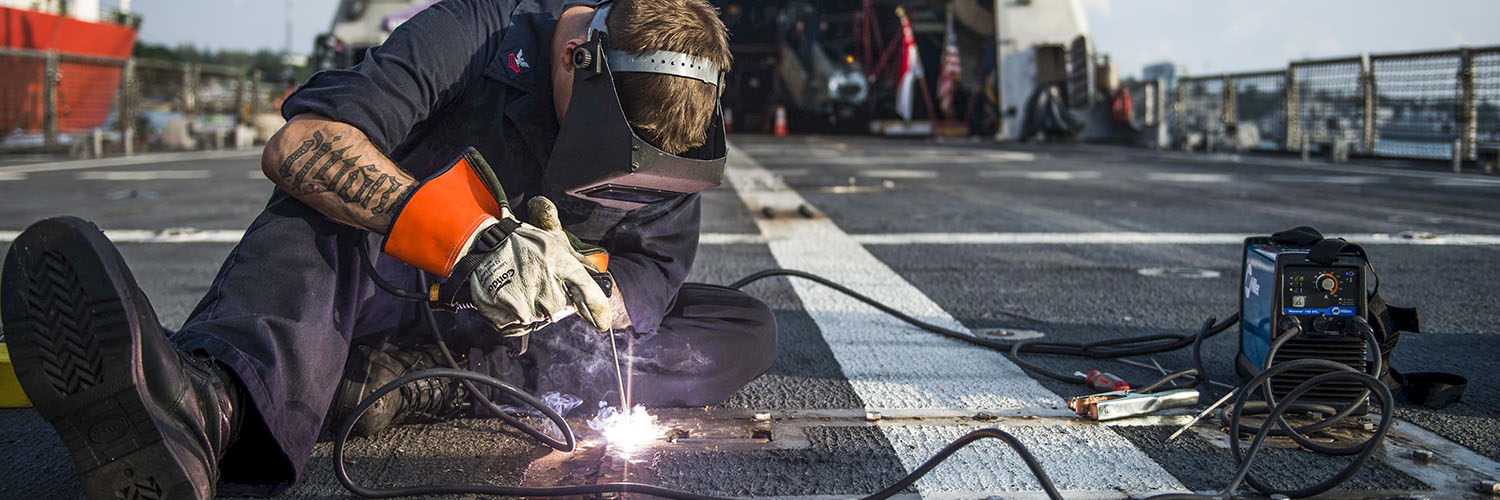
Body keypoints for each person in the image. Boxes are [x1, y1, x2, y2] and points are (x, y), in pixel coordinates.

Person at [0, 0, 777, 498]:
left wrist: (591, 290)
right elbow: (305, 143)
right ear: (577, 59)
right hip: (389, 284)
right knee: (320, 212)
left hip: (516, 337)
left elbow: (654, 269)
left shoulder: (673, 111)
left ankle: (424, 385)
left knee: (739, 329)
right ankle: (209, 408)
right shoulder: (475, 31)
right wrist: (470, 244)